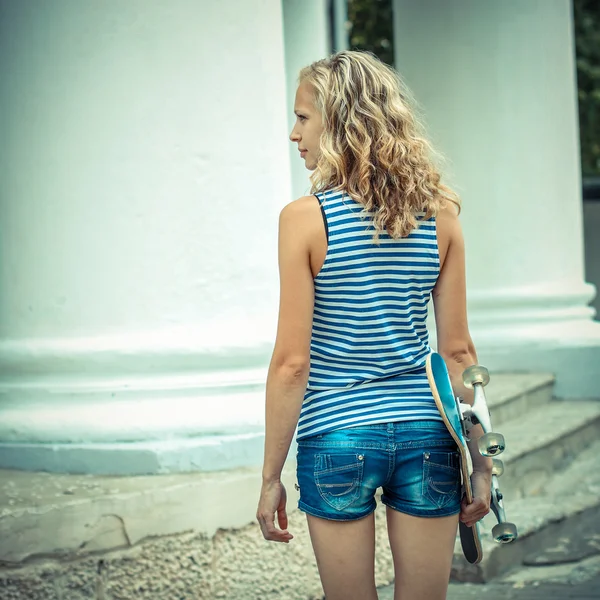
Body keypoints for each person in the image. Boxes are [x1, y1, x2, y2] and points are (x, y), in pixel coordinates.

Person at [256, 50, 491, 600]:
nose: (295, 134)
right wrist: (479, 462)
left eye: (304, 118)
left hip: (336, 436)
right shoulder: (441, 216)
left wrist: (270, 479)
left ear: (338, 122)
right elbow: (459, 353)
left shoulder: (304, 220)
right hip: (428, 433)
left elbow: (292, 364)